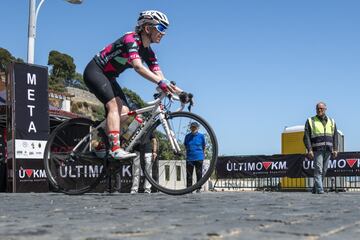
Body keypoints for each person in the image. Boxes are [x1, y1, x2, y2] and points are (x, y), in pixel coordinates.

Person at [83, 10, 182, 160]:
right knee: (114, 105)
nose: (163, 33)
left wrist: (181, 93)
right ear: (147, 28)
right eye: (161, 28)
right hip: (95, 71)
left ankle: (102, 141)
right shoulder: (131, 39)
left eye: (165, 30)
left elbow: (161, 76)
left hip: (109, 77)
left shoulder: (149, 52)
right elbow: (138, 67)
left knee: (124, 112)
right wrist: (160, 83)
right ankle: (115, 148)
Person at [303, 102, 338, 194]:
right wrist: (309, 149)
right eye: (318, 108)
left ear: (325, 109)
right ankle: (320, 189)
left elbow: (335, 136)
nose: (319, 110)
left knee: (324, 170)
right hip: (317, 149)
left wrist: (335, 149)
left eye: (321, 108)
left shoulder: (332, 121)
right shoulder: (310, 121)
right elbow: (306, 137)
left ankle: (315, 188)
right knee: (318, 169)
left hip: (328, 149)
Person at [184, 122, 205, 193]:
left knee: (199, 173)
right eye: (192, 127)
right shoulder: (187, 136)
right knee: (189, 174)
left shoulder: (201, 136)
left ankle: (198, 188)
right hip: (189, 157)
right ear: (190, 128)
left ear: (197, 128)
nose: (193, 129)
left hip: (199, 157)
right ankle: (189, 189)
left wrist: (202, 154)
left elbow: (203, 146)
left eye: (195, 127)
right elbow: (186, 145)